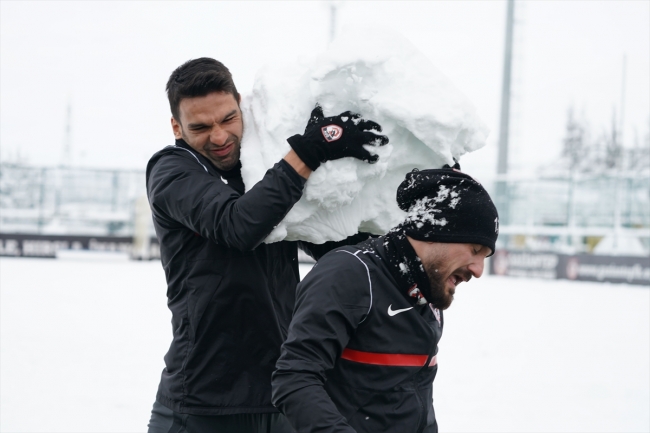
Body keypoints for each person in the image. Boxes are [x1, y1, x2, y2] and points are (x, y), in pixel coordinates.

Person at [145, 57, 388, 433]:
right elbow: (240, 225)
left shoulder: (260, 167)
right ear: (177, 127)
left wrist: (406, 189)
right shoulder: (172, 171)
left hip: (281, 395)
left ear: (241, 105)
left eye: (228, 119)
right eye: (201, 127)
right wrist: (309, 151)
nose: (219, 137)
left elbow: (332, 248)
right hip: (201, 403)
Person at [272, 166, 500, 433]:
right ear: (436, 232)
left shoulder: (429, 288)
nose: (478, 270)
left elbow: (414, 399)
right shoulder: (350, 273)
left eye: (485, 257)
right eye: (474, 249)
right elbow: (294, 380)